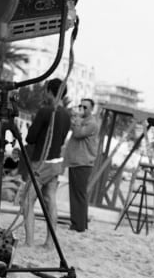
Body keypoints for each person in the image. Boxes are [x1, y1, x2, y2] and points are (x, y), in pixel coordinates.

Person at [20, 77, 71, 247]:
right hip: (56, 162)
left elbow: (31, 138)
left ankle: (29, 241)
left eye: (46, 90)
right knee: (50, 201)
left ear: (50, 91)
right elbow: (61, 140)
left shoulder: (45, 111)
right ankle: (49, 242)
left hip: (41, 162)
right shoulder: (67, 115)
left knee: (28, 200)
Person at [63, 98, 99, 232]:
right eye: (81, 106)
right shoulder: (82, 121)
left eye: (85, 107)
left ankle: (78, 224)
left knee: (78, 194)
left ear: (91, 109)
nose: (82, 109)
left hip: (83, 163)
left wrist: (77, 119)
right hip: (76, 162)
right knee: (77, 194)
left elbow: (78, 134)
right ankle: (81, 223)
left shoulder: (91, 123)